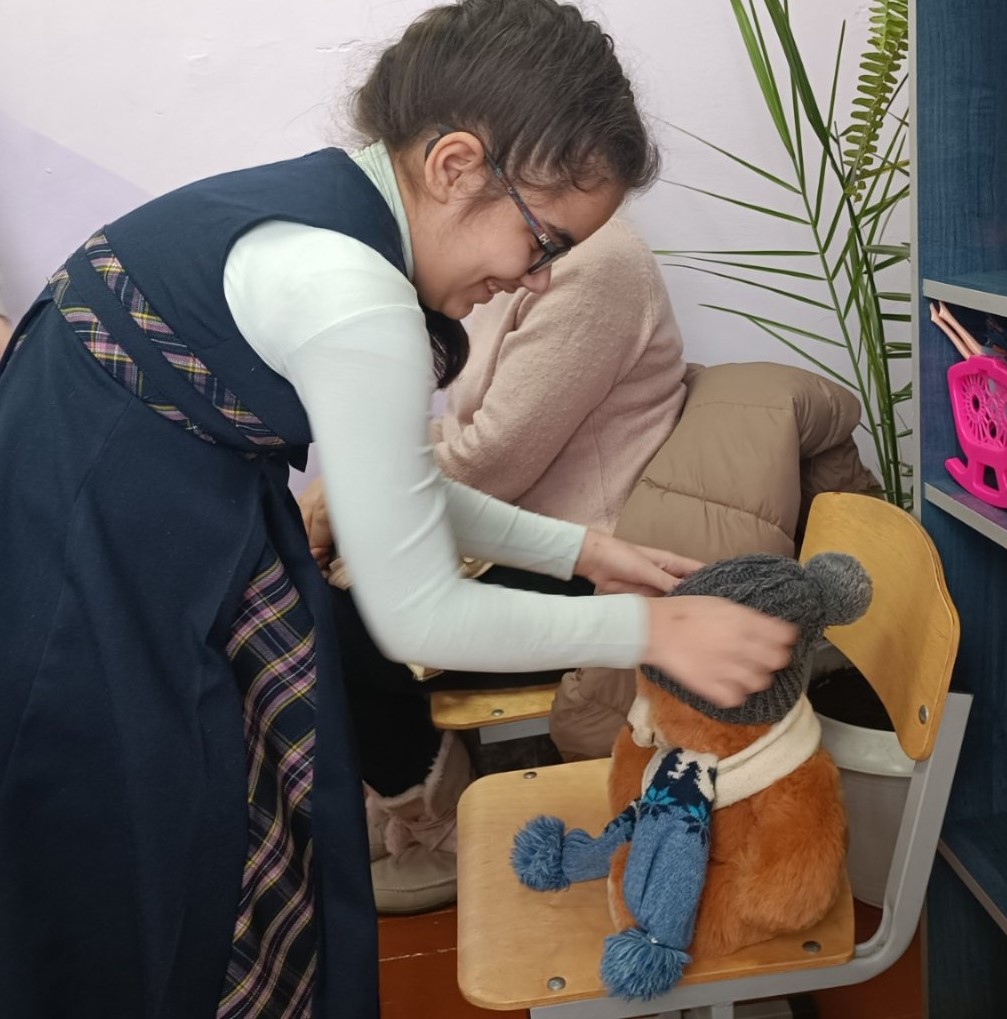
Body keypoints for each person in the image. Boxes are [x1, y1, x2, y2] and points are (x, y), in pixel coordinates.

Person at [0, 2, 795, 1016]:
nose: (532, 278)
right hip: (103, 592)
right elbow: (416, 612)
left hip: (88, 545)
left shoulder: (309, 215)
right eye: (541, 241)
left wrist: (583, 550)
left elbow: (407, 495)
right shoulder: (356, 293)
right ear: (456, 165)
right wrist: (658, 629)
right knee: (147, 902)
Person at [298, 216, 688, 913]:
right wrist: (346, 488)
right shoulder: (527, 251)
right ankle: (406, 791)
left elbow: (490, 461)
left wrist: (346, 499)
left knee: (334, 621)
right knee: (317, 584)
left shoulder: (591, 263)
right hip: (538, 524)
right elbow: (468, 433)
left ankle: (439, 826)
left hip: (587, 551)